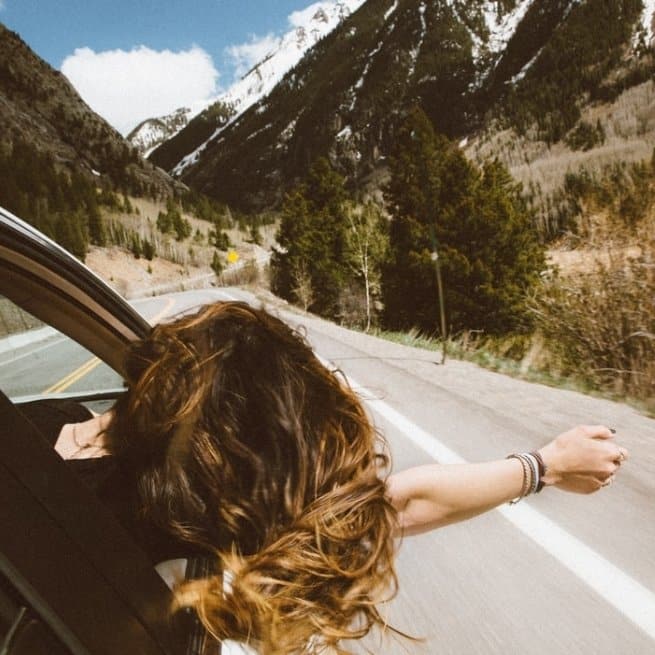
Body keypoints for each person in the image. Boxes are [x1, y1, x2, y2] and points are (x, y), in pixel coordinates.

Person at [21, 301, 629, 655]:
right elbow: (398, 502)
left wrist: (545, 466)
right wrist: (543, 467)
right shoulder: (189, 524)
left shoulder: (31, 431)